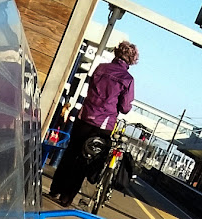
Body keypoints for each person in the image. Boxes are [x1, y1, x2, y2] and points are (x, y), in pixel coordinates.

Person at [48, 41, 139, 207]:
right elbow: (125, 108)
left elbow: (90, 89)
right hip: (103, 126)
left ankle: (55, 189)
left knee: (70, 153)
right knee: (85, 160)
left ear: (117, 53)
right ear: (132, 60)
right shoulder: (127, 79)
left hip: (85, 116)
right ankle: (66, 198)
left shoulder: (101, 68)